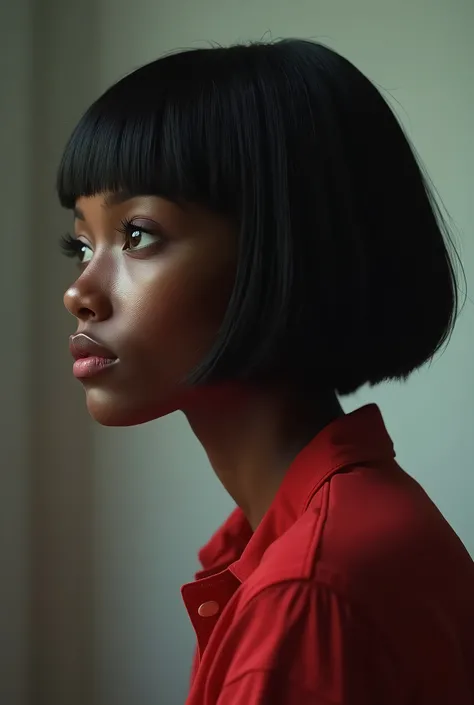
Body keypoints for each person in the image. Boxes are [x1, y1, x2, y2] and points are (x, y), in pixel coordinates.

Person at [58, 39, 474, 705]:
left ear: (284, 246)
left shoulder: (308, 594)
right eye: (81, 243)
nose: (79, 290)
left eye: (136, 234)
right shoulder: (336, 533)